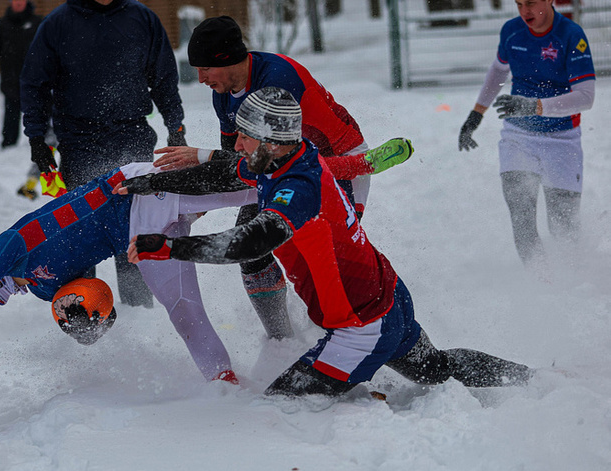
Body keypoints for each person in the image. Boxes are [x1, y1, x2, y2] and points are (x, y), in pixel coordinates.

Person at [124, 87, 532, 398]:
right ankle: (532, 380)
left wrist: (168, 247)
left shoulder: (298, 187)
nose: (238, 145)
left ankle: (372, 417)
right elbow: (223, 175)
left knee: (281, 407)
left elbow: (247, 243)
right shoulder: (291, 157)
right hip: (386, 296)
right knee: (436, 369)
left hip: (362, 325)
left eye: (245, 137)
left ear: (270, 140)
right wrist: (149, 184)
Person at [0, 161, 255, 384]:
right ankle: (225, 386)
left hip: (133, 192)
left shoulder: (9, 246)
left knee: (245, 191)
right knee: (185, 314)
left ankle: (307, 172)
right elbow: (103, 310)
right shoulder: (44, 291)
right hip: (140, 237)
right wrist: (83, 324)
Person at [153, 16, 383, 340]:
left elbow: (263, 161)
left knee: (323, 259)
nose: (200, 77)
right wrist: (204, 196)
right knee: (252, 249)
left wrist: (202, 158)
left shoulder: (276, 80)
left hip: (338, 166)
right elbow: (236, 160)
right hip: (285, 168)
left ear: (228, 59)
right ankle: (282, 341)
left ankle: (360, 338)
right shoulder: (225, 90)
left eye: (205, 68)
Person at [20, 0, 187, 309]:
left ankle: (139, 311)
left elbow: (163, 76)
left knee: (133, 227)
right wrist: (37, 140)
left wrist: (175, 124)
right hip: (80, 141)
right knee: (79, 233)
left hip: (132, 134)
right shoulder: (58, 23)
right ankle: (82, 312)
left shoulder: (142, 18)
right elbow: (35, 84)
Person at [458, 0, 595, 272]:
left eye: (531, 3)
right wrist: (476, 113)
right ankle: (539, 284)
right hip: (518, 137)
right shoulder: (511, 31)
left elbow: (586, 97)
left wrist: (536, 106)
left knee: (563, 227)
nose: (525, 12)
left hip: (562, 140)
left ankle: (573, 284)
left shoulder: (571, 35)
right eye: (519, 3)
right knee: (521, 217)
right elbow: (498, 71)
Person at [0, 0, 42, 149]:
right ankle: (8, 141)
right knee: (11, 109)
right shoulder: (1, 24)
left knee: (38, 109)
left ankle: (42, 139)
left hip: (34, 75)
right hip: (10, 76)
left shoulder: (38, 22)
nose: (18, 3)